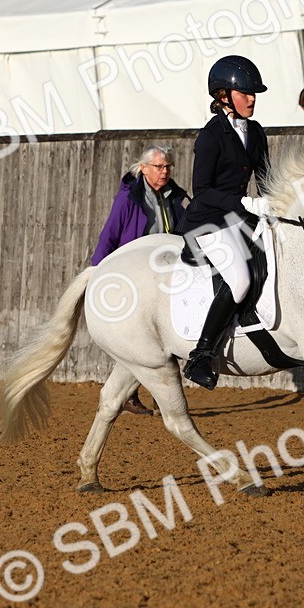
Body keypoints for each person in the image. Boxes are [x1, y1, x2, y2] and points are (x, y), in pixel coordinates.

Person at [181, 56, 271, 391]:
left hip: (242, 216)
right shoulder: (211, 136)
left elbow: (265, 178)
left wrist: (276, 203)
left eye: (253, 93)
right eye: (245, 93)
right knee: (240, 277)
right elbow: (201, 191)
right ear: (223, 95)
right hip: (208, 221)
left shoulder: (257, 131)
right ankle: (202, 354)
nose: (252, 98)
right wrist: (243, 202)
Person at [92, 146, 189, 414]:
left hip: (166, 273)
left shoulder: (174, 197)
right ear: (143, 168)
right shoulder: (129, 199)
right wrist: (97, 271)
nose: (165, 171)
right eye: (159, 167)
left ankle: (150, 396)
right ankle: (134, 394)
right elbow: (109, 234)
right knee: (139, 339)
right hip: (136, 274)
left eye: (168, 166)